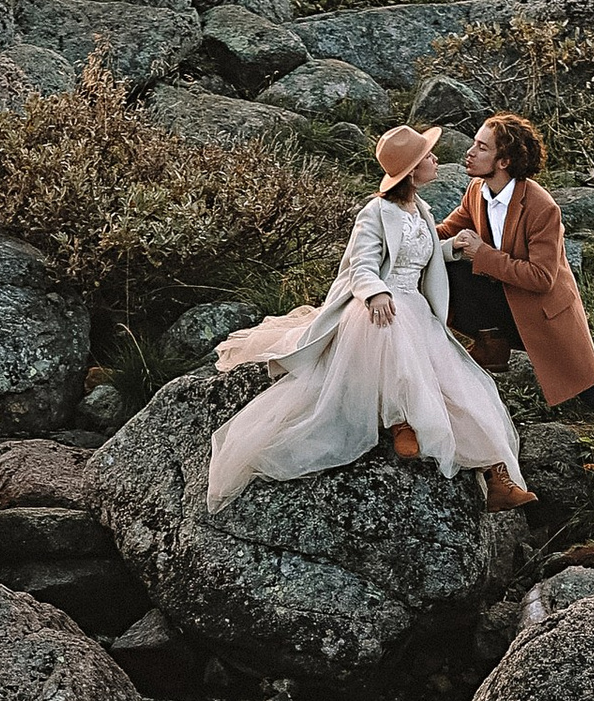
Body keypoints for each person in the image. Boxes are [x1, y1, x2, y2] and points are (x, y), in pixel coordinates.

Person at [208, 124, 540, 515]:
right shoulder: (376, 212)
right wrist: (376, 291)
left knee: (467, 386)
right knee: (397, 349)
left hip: (415, 307)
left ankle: (497, 476)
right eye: (428, 156)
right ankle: (400, 421)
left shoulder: (421, 209)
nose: (436, 159)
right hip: (379, 308)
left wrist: (454, 248)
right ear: (414, 169)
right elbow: (361, 266)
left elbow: (422, 253)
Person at [438, 113, 594, 516]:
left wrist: (482, 255)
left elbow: (541, 277)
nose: (469, 152)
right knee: (450, 263)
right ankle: (491, 338)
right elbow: (446, 232)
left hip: (546, 317)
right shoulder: (476, 191)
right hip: (506, 309)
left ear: (504, 161)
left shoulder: (541, 207)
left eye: (481, 147)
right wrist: (403, 232)